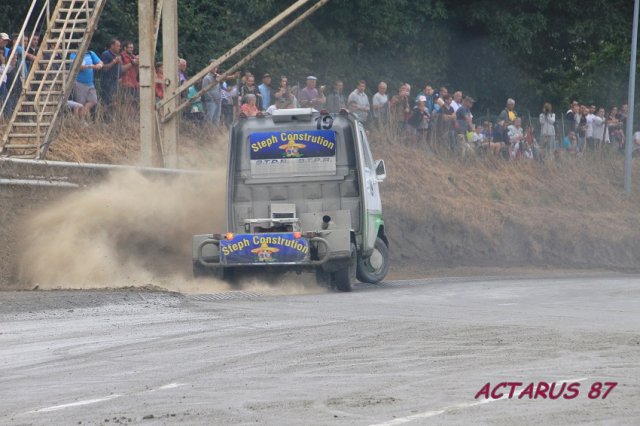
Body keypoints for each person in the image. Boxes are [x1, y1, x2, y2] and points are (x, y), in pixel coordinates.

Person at [71, 49, 103, 119]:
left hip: (90, 83)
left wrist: (99, 65)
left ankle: (82, 116)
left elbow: (100, 62)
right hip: (79, 82)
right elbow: (77, 67)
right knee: (79, 103)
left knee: (93, 100)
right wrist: (91, 66)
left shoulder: (90, 53)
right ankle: (78, 121)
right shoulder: (74, 54)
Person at [100, 39, 121, 109]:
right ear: (112, 46)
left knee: (114, 101)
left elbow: (119, 69)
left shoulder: (117, 55)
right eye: (117, 46)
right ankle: (105, 117)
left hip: (115, 81)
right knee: (107, 101)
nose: (119, 48)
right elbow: (104, 68)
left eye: (119, 46)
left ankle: (112, 117)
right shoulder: (106, 54)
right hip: (107, 81)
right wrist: (114, 62)